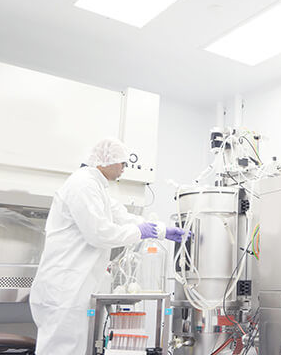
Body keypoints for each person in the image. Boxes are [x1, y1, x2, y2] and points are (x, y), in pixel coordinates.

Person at [29, 138, 185, 354]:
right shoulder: (82, 185)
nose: (124, 168)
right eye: (122, 162)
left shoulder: (96, 187)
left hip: (75, 286)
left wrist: (162, 230)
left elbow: (121, 216)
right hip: (64, 288)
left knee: (75, 347)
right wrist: (140, 232)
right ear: (105, 160)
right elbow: (99, 233)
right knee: (63, 349)